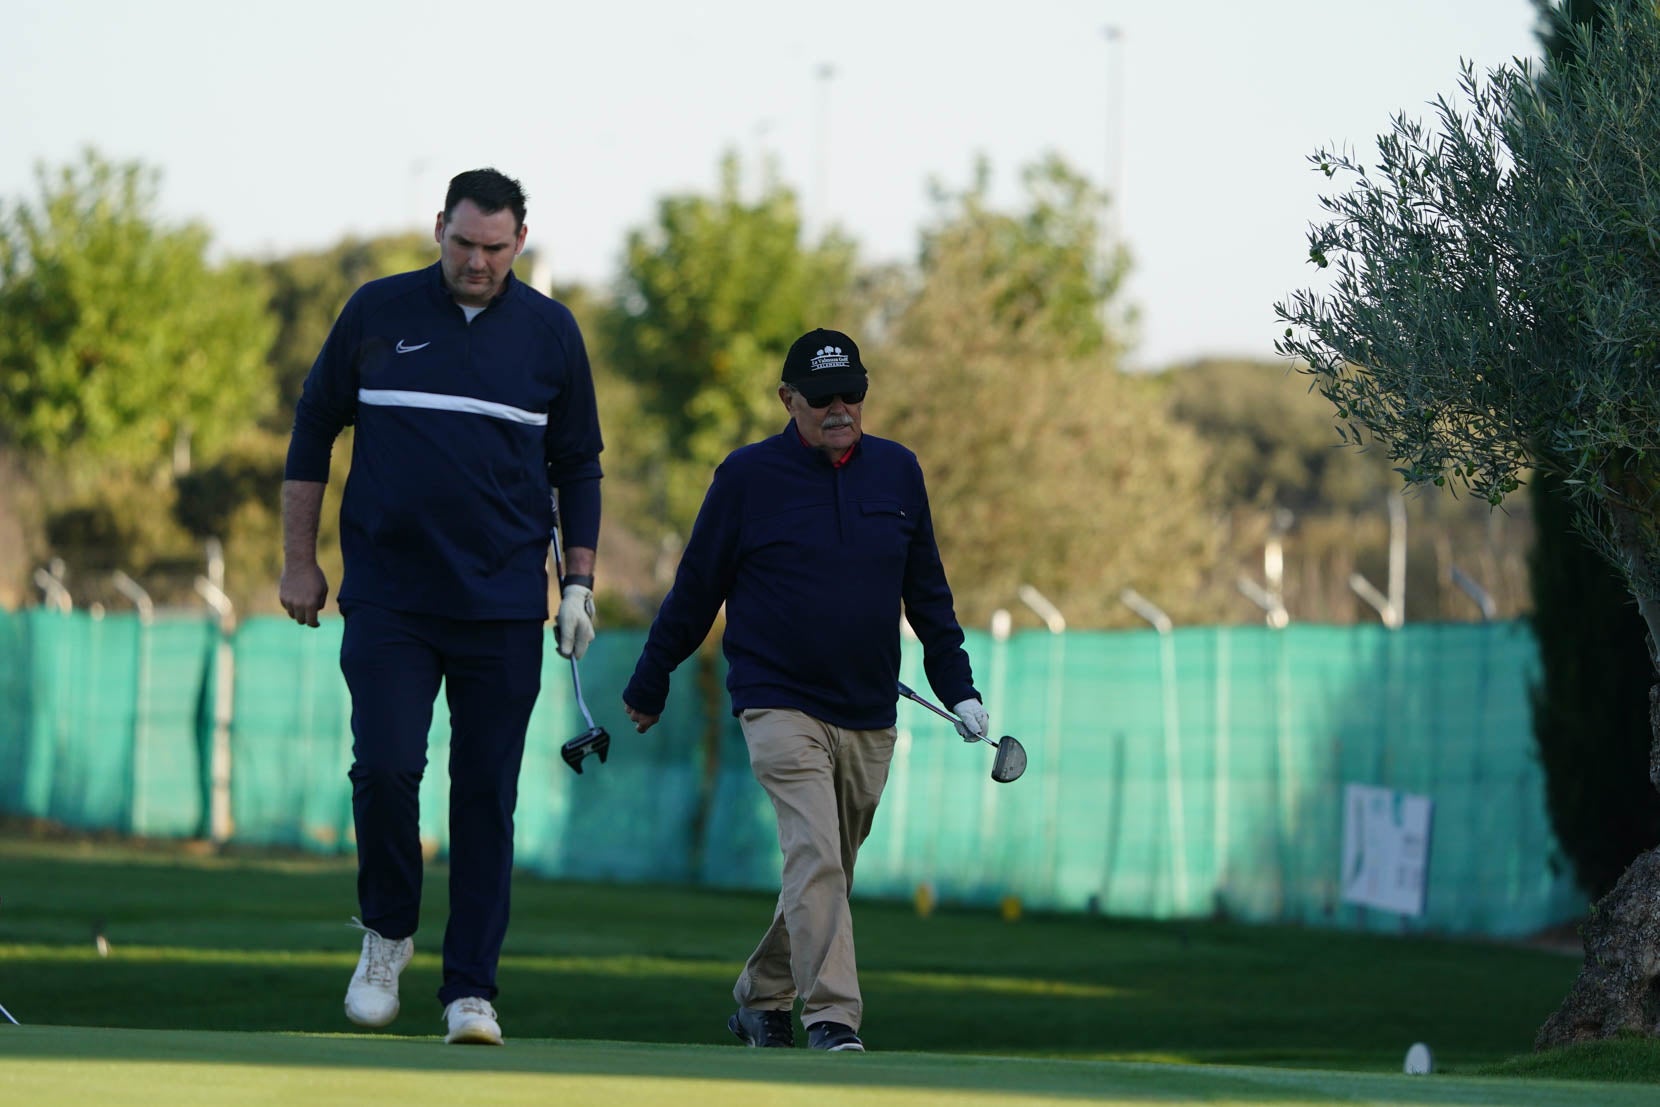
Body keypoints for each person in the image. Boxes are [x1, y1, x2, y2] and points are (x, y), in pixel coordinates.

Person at [279, 167, 603, 1046]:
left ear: (518, 244)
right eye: (463, 242)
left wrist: (578, 580)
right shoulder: (376, 311)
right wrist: (297, 559)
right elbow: (314, 427)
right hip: (389, 595)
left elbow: (578, 464)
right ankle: (386, 936)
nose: (477, 260)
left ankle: (471, 990)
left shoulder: (551, 333)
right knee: (386, 767)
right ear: (439, 229)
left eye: (495, 247)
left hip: (502, 603)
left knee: (485, 793)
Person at [621, 328, 988, 1053]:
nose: (840, 408)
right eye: (822, 398)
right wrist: (651, 675)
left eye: (853, 393)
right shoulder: (746, 478)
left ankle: (762, 993)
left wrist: (961, 689)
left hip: (869, 711)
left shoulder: (899, 473)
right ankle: (832, 1019)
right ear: (788, 399)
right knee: (816, 856)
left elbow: (929, 596)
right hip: (778, 700)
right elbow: (697, 589)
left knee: (826, 870)